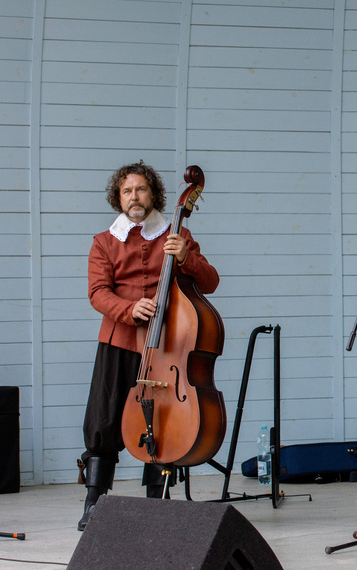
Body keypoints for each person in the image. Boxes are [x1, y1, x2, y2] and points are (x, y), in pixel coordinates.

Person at [76, 161, 220, 531]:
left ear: (153, 194)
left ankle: (159, 502)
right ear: (118, 197)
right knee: (104, 418)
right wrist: (129, 308)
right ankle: (94, 503)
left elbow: (211, 282)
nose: (134, 197)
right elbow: (97, 293)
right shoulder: (104, 242)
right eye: (127, 191)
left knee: (162, 418)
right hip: (120, 338)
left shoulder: (177, 234)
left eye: (141, 189)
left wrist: (186, 257)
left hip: (167, 345)